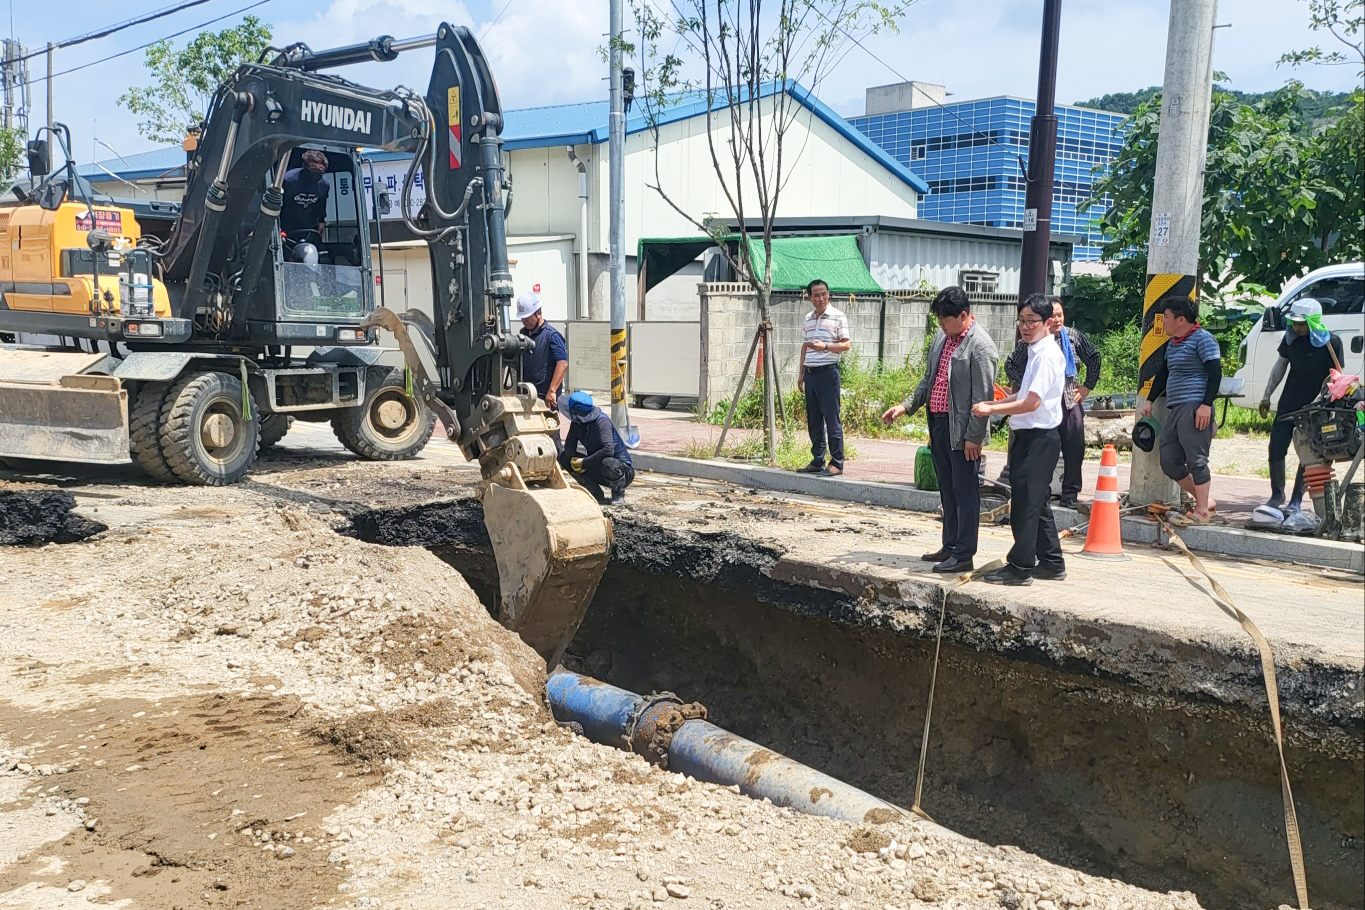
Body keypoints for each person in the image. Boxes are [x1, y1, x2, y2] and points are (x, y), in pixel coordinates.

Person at [882, 286, 998, 573]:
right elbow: (929, 380)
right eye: (939, 320)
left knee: (965, 491)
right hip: (939, 423)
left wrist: (974, 436)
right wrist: (905, 406)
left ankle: (964, 554)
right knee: (947, 488)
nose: (942, 325)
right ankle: (950, 545)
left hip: (963, 431)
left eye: (946, 320)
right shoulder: (941, 339)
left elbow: (983, 397)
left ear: (963, 315)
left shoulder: (980, 346)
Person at [971, 293, 1067, 586]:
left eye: (1032, 321)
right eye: (1022, 321)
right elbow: (1023, 395)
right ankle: (1051, 562)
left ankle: (1020, 567)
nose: (1025, 327)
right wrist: (996, 402)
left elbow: (1032, 403)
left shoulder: (1046, 355)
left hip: (1039, 437)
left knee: (1026, 505)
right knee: (1036, 502)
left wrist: (992, 410)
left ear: (1047, 322)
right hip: (1031, 436)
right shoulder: (1036, 351)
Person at [1003, 297, 1102, 508]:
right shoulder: (1032, 342)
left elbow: (1094, 357)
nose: (1057, 320)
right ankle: (1043, 493)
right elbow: (1010, 364)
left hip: (1069, 400)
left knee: (1074, 448)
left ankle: (1070, 493)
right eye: (1053, 316)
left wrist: (1087, 387)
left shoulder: (1073, 336)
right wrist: (1025, 385)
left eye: (1060, 315)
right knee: (1043, 451)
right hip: (1042, 405)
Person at [1139, 295, 1222, 525]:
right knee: (1169, 460)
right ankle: (1205, 501)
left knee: (1197, 460)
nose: (1163, 321)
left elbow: (1215, 373)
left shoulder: (1203, 339)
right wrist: (1150, 400)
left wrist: (1206, 405)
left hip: (1194, 406)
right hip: (1176, 407)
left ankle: (1202, 512)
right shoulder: (1173, 343)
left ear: (1181, 320)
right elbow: (1164, 374)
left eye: (1166, 317)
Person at [1258, 298, 1343, 514]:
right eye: (1294, 323)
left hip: (1315, 408)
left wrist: (1319, 402)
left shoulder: (1331, 342)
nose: (1297, 327)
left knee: (1307, 453)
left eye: (1302, 324)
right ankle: (1277, 494)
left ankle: (1296, 500)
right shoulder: (1291, 340)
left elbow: (1335, 377)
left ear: (1313, 321)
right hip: (1288, 402)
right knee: (1276, 448)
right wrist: (1267, 395)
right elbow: (1280, 365)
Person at [796, 279, 851, 477]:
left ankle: (836, 462)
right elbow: (805, 346)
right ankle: (817, 459)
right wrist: (801, 372)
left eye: (824, 294)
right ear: (810, 298)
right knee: (814, 420)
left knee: (831, 418)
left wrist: (826, 347)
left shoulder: (838, 316)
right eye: (816, 295)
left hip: (828, 373)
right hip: (810, 373)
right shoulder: (808, 318)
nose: (821, 298)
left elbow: (846, 345)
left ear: (829, 294)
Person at [559, 391, 634, 505]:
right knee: (564, 457)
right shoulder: (577, 423)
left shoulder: (602, 422)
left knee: (608, 462)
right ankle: (596, 494)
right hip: (597, 466)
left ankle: (618, 495)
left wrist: (584, 462)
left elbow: (608, 450)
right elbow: (569, 447)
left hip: (621, 471)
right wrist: (573, 460)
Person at [516, 290, 568, 413]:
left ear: (538, 313)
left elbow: (562, 364)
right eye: (522, 318)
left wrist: (552, 391)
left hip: (545, 397)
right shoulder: (523, 334)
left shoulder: (552, 336)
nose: (524, 321)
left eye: (527, 318)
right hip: (527, 393)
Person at [280, 150, 331, 248]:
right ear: (305, 165)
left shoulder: (324, 185)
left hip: (309, 228)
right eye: (313, 167)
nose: (316, 171)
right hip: (285, 226)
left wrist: (321, 222)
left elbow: (321, 205)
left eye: (320, 168)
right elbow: (277, 203)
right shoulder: (288, 180)